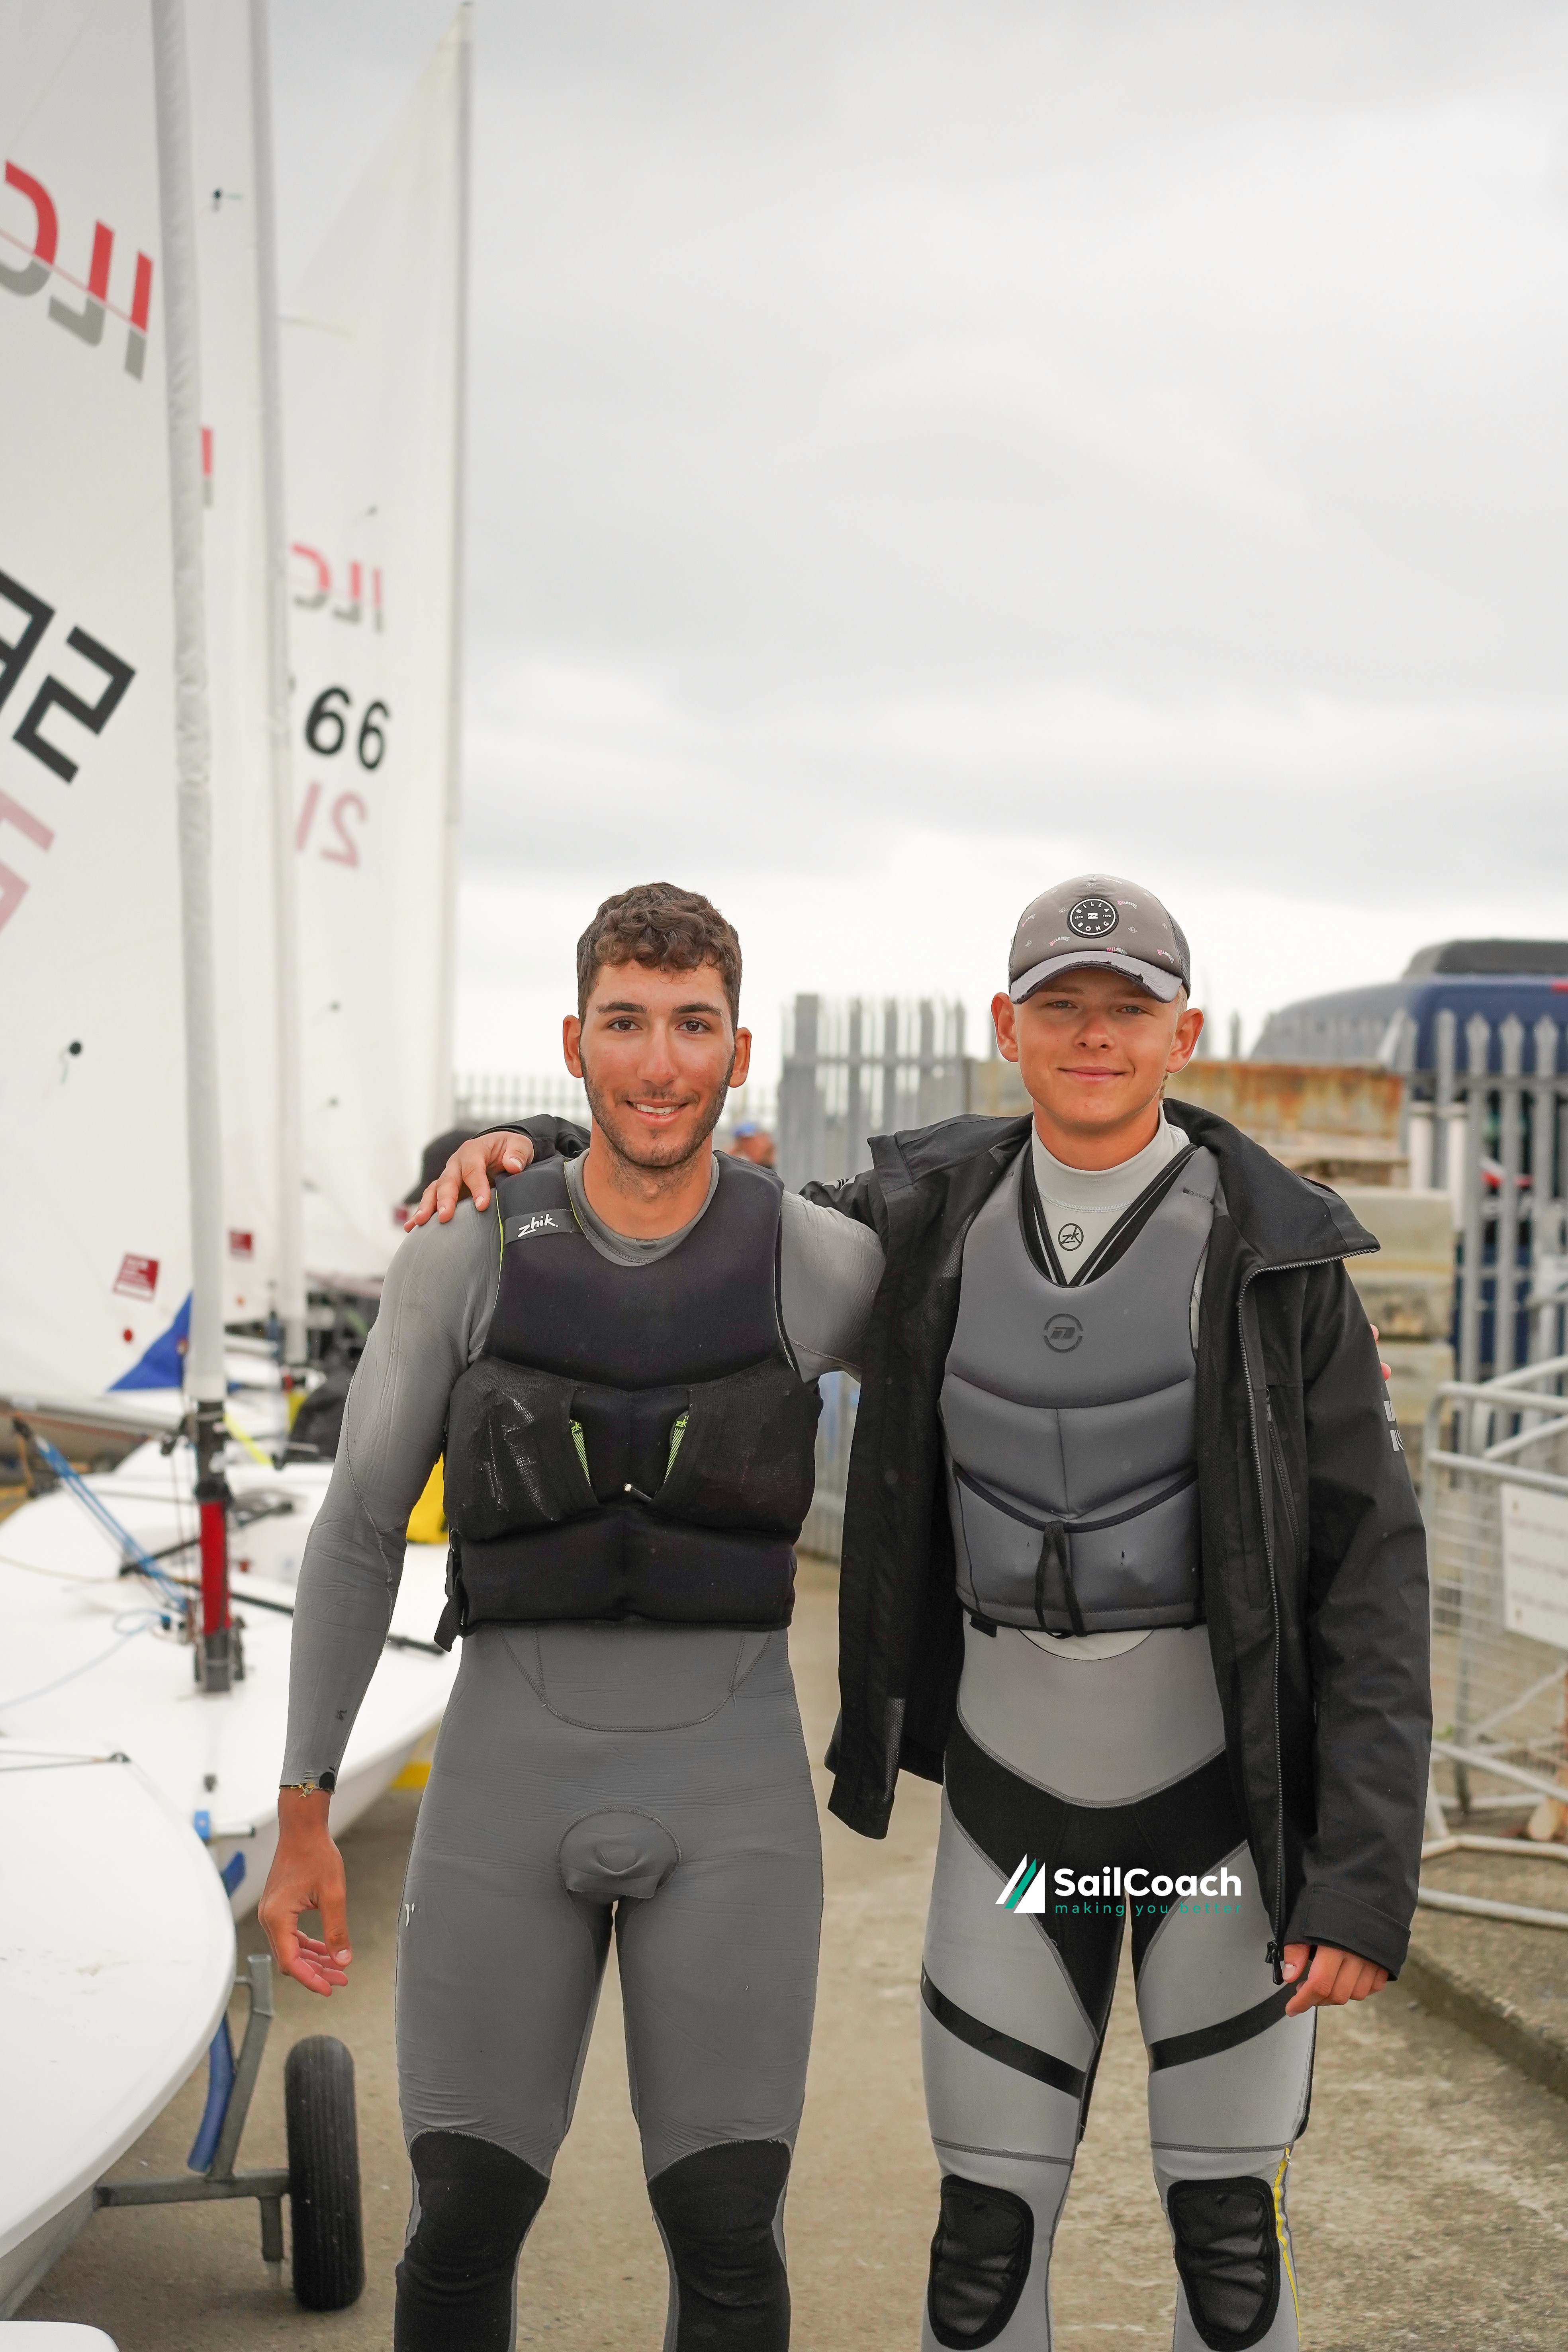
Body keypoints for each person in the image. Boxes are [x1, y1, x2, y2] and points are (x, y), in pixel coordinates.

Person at [423, 872, 1430, 2352]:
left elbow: (1372, 1572)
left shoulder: (1277, 1259)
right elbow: (696, 1201)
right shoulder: (923, 1215)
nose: (1094, 1037)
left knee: (1229, 2249)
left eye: (1127, 1012)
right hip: (1020, 1821)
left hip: (1217, 1823)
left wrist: (1358, 1875)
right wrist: (519, 1143)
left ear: (1183, 1034)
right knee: (979, 2252)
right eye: (1061, 1010)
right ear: (1005, 1027)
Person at [259, 882, 882, 2352]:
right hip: (504, 1785)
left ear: (739, 1049)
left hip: (730, 1792)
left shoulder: (822, 1263)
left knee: (729, 2230)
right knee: (463, 2217)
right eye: (624, 1024)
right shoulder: (462, 1254)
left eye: (691, 1026)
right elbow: (355, 1535)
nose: (657, 1062)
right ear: (573, 1039)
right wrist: (302, 1809)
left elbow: (1011, 1354)